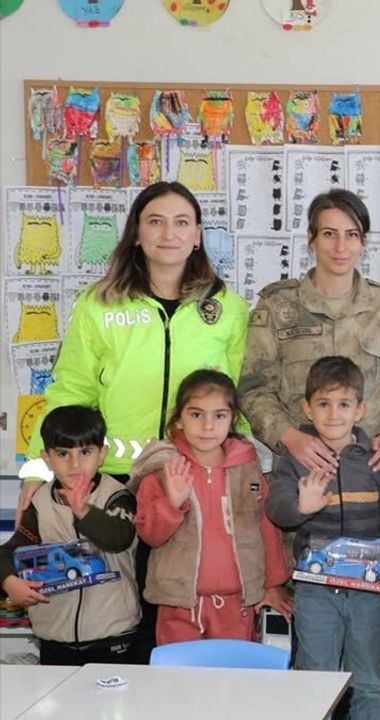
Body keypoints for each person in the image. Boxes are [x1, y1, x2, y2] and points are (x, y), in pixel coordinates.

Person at [18, 180, 249, 659]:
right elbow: (70, 390)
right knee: (120, 616)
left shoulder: (227, 307)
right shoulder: (99, 303)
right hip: (113, 484)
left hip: (193, 481)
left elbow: (237, 394)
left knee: (178, 612)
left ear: (198, 235)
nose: (169, 233)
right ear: (136, 234)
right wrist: (39, 468)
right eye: (155, 221)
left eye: (182, 222)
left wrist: (244, 467)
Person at [240, 188, 380, 477]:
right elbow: (253, 388)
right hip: (298, 468)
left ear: (363, 242)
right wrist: (289, 437)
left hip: (368, 467)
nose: (340, 247)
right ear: (311, 239)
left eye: (351, 235)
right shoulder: (277, 305)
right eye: (329, 234)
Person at [266, 357, 380, 720]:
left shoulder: (377, 460)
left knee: (368, 682)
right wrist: (301, 506)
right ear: (307, 408)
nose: (333, 414)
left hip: (368, 592)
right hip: (315, 592)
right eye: (323, 404)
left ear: (360, 410)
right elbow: (276, 509)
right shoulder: (294, 460)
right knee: (317, 681)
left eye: (344, 404)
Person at [130, 370, 292, 644]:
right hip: (179, 605)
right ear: (178, 419)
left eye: (219, 415)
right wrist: (172, 503)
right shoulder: (163, 469)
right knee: (180, 672)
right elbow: (149, 535)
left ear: (232, 419)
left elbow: (266, 527)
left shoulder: (247, 467)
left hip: (237, 605)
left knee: (232, 671)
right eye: (196, 414)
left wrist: (273, 584)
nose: (207, 426)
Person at [0, 406, 140, 665]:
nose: (75, 464)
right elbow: (9, 551)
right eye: (63, 453)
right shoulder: (40, 502)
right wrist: (9, 581)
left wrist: (83, 511)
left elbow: (118, 538)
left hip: (114, 635)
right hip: (55, 638)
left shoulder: (118, 495)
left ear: (102, 454)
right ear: (47, 458)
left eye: (85, 452)